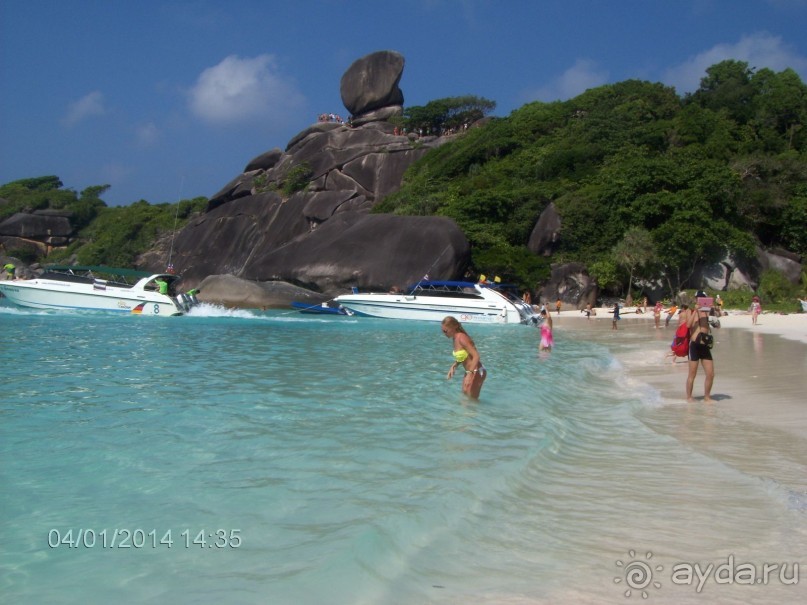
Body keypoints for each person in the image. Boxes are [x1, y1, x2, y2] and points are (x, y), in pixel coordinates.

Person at [442, 316, 486, 400]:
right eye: (443, 331)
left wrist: (470, 374)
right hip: (469, 371)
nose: (444, 333)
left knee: (471, 401)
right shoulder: (455, 338)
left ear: (454, 327)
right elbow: (464, 355)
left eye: (445, 331)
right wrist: (454, 365)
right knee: (465, 398)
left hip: (476, 371)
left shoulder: (461, 338)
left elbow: (476, 356)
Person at [685, 303, 716, 402]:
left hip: (705, 346)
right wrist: (695, 311)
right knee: (692, 374)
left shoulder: (708, 311)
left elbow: (717, 325)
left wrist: (713, 310)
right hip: (694, 345)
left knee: (710, 374)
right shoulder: (690, 311)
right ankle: (689, 397)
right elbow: (688, 325)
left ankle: (707, 397)